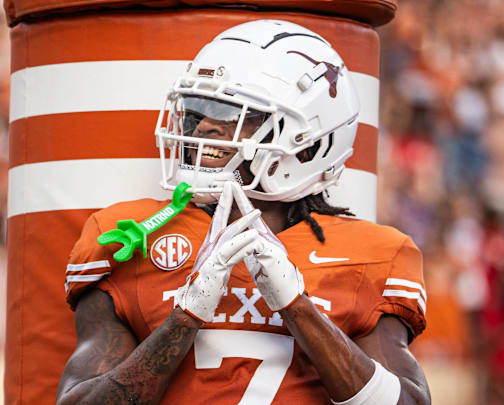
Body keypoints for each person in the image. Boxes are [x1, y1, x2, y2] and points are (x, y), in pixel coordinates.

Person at [57, 20, 431, 405]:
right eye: (198, 109)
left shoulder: (371, 254)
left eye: (231, 111)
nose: (203, 125)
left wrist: (298, 308)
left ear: (304, 144)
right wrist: (183, 320)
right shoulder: (130, 236)